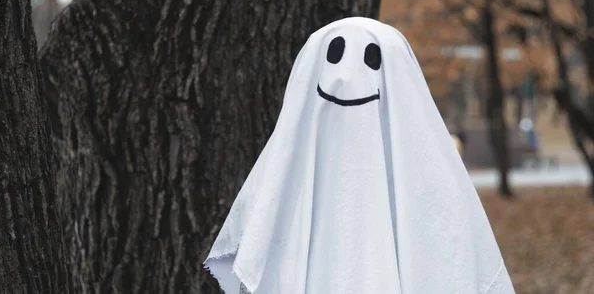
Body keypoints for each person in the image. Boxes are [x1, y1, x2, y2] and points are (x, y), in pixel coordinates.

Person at [205, 17, 514, 294]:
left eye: (371, 60)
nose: (346, 77)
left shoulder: (428, 175)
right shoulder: (287, 170)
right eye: (335, 57)